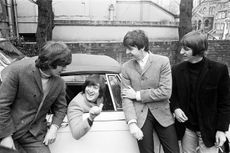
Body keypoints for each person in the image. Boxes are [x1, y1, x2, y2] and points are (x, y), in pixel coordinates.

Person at [0, 41, 72, 153]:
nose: (65, 68)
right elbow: (2, 105)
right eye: (62, 65)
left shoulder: (59, 83)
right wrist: (5, 136)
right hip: (10, 130)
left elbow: (61, 108)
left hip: (34, 135)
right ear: (50, 62)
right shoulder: (18, 71)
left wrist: (54, 127)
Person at [170, 31, 230, 153]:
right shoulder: (176, 70)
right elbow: (172, 95)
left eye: (186, 49)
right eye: (182, 48)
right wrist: (175, 108)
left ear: (198, 49)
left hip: (210, 130)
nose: (181, 52)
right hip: (186, 129)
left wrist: (221, 130)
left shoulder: (219, 70)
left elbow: (225, 103)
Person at [121, 29, 180, 153]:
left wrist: (137, 95)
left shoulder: (163, 61)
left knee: (174, 151)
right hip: (140, 117)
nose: (127, 52)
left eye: (130, 49)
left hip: (163, 115)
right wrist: (131, 122)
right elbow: (126, 97)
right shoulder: (126, 67)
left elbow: (165, 92)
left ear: (142, 47)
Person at [67, 74, 105, 140]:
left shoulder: (99, 98)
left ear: (100, 92)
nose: (90, 90)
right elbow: (76, 134)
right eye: (89, 86)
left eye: (95, 88)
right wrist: (90, 118)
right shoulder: (76, 104)